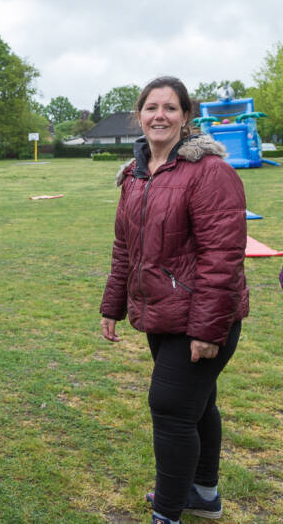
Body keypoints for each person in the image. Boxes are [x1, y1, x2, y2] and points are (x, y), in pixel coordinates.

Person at [99, 76, 249, 524]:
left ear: (186, 117)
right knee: (195, 406)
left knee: (170, 409)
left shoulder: (210, 172)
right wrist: (113, 306)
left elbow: (222, 257)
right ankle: (204, 494)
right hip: (161, 315)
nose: (159, 115)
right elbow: (125, 247)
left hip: (201, 317)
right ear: (139, 116)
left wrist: (207, 329)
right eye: (151, 107)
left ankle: (167, 513)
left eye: (170, 108)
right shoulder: (136, 174)